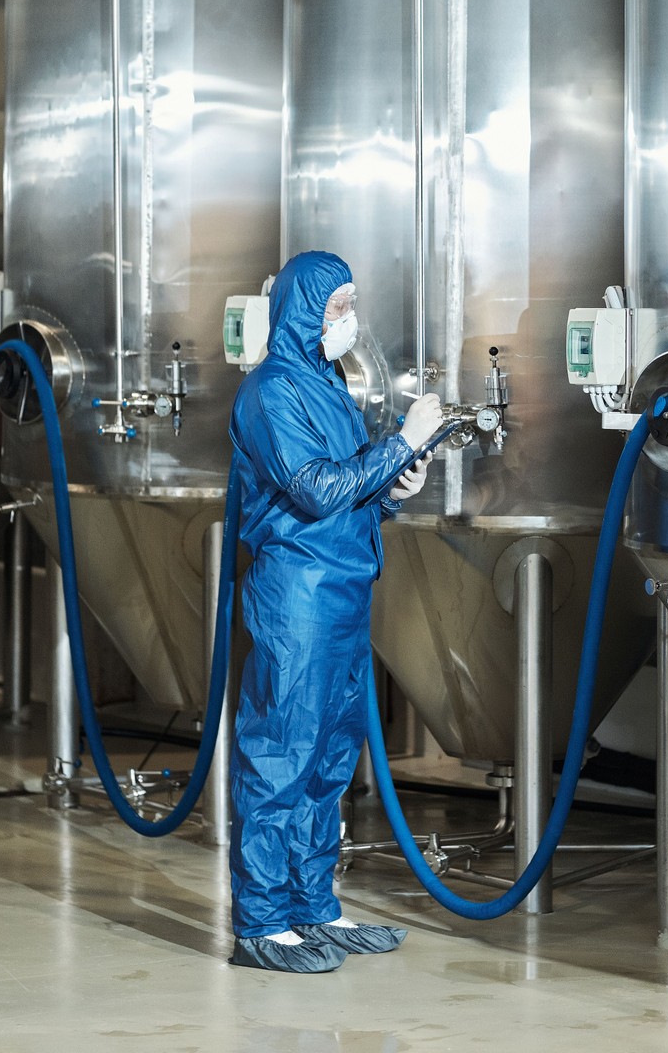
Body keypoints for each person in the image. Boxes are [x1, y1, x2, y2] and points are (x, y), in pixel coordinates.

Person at [225, 250, 446, 974]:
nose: (350, 319)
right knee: (282, 752)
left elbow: (353, 487)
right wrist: (403, 440)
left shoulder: (330, 386)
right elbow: (316, 489)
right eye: (338, 305)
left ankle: (311, 905)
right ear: (303, 309)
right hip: (297, 594)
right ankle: (261, 921)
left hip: (345, 589)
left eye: (353, 303)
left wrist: (395, 487)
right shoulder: (271, 393)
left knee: (327, 760)